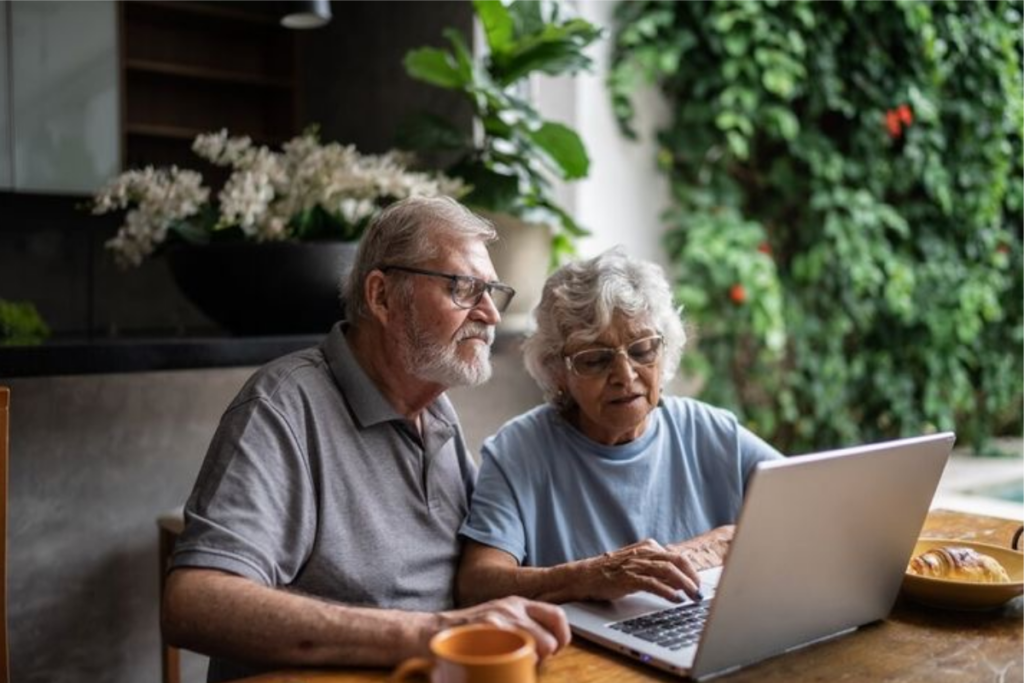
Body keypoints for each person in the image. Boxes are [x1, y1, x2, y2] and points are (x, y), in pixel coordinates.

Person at [162, 196, 570, 682]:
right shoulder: (284, 405)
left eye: (492, 291)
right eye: (464, 288)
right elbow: (195, 601)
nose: (491, 314)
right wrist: (429, 633)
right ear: (382, 297)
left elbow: (466, 577)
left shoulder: (435, 407)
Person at [456, 247, 784, 607]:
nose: (625, 376)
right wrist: (590, 575)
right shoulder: (518, 451)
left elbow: (811, 509)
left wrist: (713, 544)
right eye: (595, 360)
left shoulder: (711, 431)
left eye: (643, 350)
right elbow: (477, 584)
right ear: (557, 371)